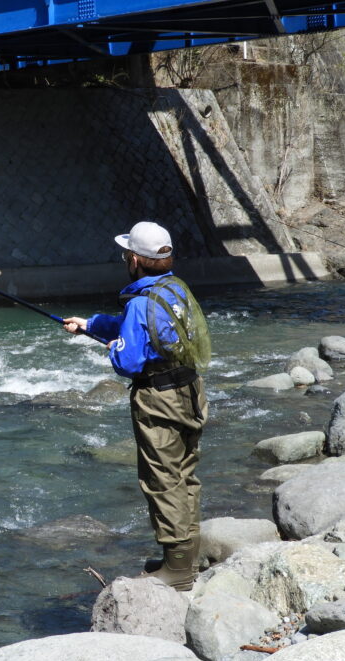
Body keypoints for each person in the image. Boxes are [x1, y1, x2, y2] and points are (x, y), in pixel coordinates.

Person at [63, 221, 209, 592]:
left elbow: (127, 361)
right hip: (189, 389)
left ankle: (177, 570)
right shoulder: (172, 288)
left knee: (162, 479)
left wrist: (114, 348)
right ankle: (187, 554)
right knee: (184, 472)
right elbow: (139, 327)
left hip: (159, 398)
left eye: (125, 254)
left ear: (133, 259)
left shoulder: (141, 300)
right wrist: (90, 324)